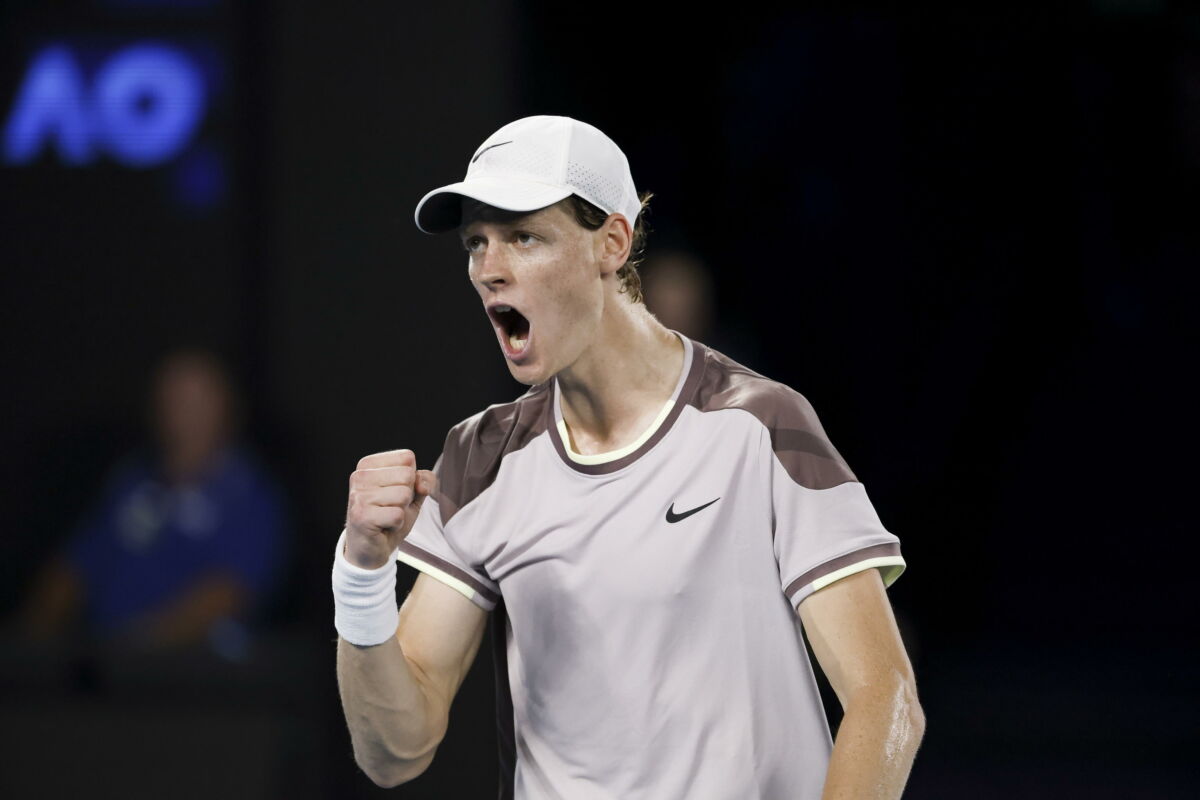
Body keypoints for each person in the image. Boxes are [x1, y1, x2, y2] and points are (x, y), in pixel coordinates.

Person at [333, 115, 924, 798]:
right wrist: (362, 576)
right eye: (477, 243)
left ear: (611, 243)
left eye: (523, 236)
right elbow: (394, 753)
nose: (489, 270)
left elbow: (885, 698)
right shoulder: (478, 460)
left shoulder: (758, 426)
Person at [21, 348, 287, 653]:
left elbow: (228, 594)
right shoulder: (132, 482)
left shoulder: (250, 495)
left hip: (193, 672)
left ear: (227, 408)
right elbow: (74, 566)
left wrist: (138, 649)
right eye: (173, 398)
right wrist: (30, 641)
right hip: (102, 665)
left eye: (198, 401)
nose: (184, 413)